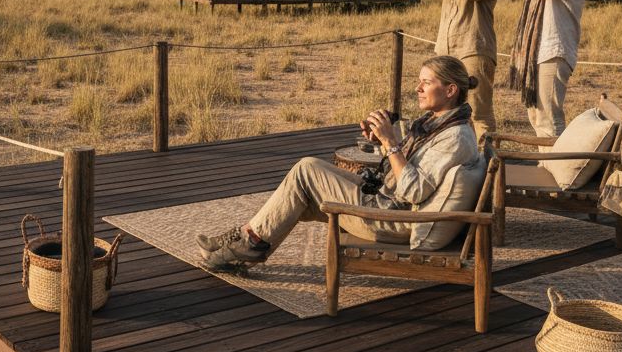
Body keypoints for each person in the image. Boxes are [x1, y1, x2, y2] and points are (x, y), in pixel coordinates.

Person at [196, 56, 483, 272]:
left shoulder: (455, 137)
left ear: (450, 90)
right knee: (302, 188)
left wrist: (390, 142)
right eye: (419, 80)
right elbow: (400, 173)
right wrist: (381, 140)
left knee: (306, 171)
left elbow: (413, 191)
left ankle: (244, 244)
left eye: (427, 82)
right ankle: (244, 243)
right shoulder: (439, 124)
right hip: (389, 201)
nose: (418, 88)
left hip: (394, 219)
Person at [505, 0, 588, 140]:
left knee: (549, 117)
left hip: (554, 50)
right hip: (537, 50)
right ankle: (545, 165)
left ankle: (559, 170)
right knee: (536, 117)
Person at [422, 0, 502, 145]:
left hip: (474, 49)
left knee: (479, 112)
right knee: (445, 108)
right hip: (447, 50)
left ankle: (487, 166)